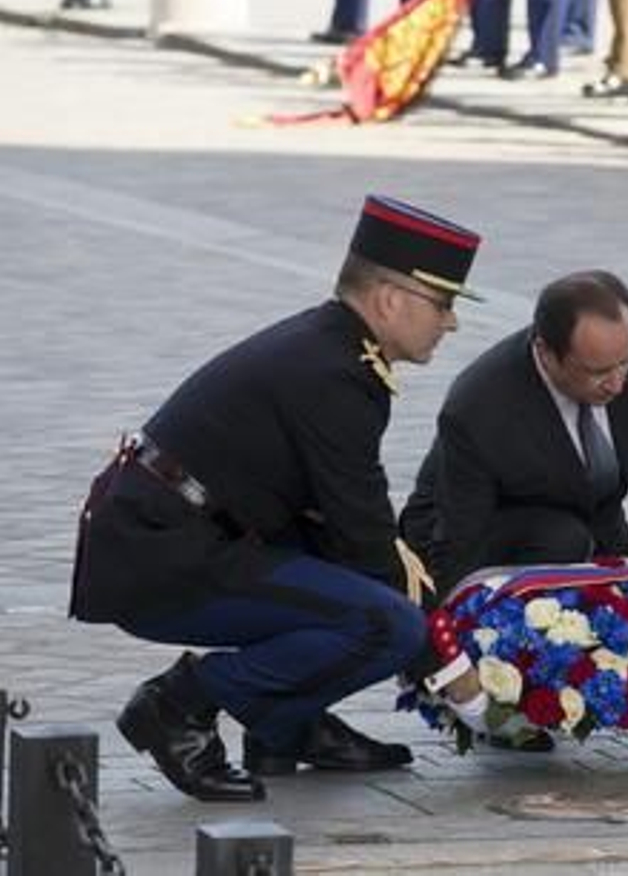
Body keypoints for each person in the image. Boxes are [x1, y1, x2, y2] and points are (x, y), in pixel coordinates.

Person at [69, 196, 482, 802]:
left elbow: (337, 528)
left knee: (358, 594)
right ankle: (179, 706)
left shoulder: (332, 350)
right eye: (442, 304)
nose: (450, 323)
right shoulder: (335, 373)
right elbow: (366, 539)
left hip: (187, 536)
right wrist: (448, 664)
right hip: (161, 559)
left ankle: (286, 728)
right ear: (391, 300)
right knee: (383, 621)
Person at [400, 270, 628, 595]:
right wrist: (457, 619)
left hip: (591, 513)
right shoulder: (479, 407)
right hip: (479, 526)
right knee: (563, 540)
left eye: (625, 365)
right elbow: (460, 537)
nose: (617, 384)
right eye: (598, 372)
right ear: (546, 352)